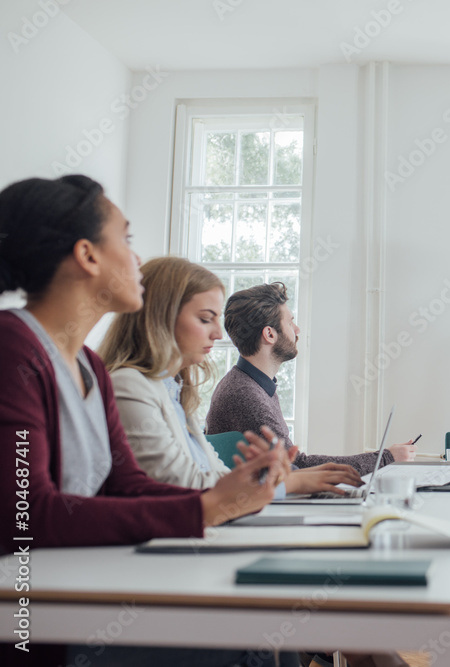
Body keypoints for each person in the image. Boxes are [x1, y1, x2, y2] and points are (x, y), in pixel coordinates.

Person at [0, 175, 296, 667]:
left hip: (85, 588)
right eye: (127, 239)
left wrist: (228, 498)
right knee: (256, 640)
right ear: (88, 255)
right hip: (32, 623)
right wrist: (205, 509)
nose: (137, 259)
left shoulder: (90, 367)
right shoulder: (13, 351)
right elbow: (28, 519)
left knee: (266, 630)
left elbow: (129, 485)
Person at [98, 256, 362, 496]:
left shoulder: (175, 389)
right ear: (161, 319)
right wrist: (289, 482)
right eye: (204, 319)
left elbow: (215, 474)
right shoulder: (130, 385)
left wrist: (277, 478)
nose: (218, 334)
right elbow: (183, 484)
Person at [206, 282, 416, 474]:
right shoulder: (245, 394)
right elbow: (297, 466)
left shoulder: (253, 384)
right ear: (270, 334)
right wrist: (385, 458)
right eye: (290, 323)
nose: (297, 331)